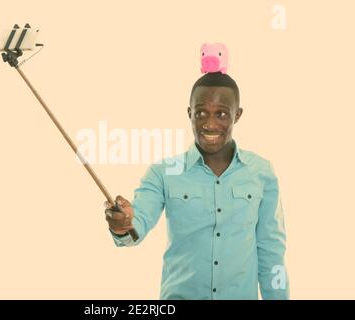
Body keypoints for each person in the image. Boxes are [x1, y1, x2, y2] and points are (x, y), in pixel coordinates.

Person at [104, 72, 289, 300]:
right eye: (201, 113)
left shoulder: (261, 172)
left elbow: (272, 251)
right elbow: (136, 226)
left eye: (221, 114)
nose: (210, 124)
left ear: (237, 115)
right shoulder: (163, 172)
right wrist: (123, 224)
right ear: (189, 113)